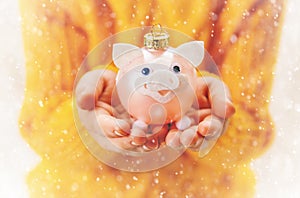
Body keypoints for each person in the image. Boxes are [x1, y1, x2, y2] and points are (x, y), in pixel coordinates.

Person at [76, 66, 235, 154]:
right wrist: (84, 122)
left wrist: (211, 98)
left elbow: (256, 118)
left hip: (205, 188)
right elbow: (51, 104)